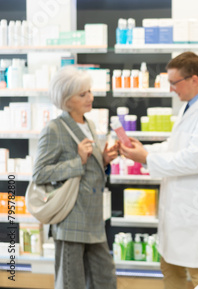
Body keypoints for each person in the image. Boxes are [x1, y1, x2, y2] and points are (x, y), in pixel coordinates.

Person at [119, 51, 198, 288]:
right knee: (170, 271)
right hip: (180, 210)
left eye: (174, 83)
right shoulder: (191, 106)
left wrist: (148, 157)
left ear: (194, 79)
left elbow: (194, 160)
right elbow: (176, 147)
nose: (171, 89)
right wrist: (144, 152)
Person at [32, 66, 118, 288]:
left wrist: (104, 160)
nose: (90, 97)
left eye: (89, 91)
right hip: (71, 220)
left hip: (94, 220)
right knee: (72, 283)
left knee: (105, 279)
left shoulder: (89, 124)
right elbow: (40, 173)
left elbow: (91, 169)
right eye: (83, 94)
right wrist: (77, 161)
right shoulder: (55, 129)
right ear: (66, 100)